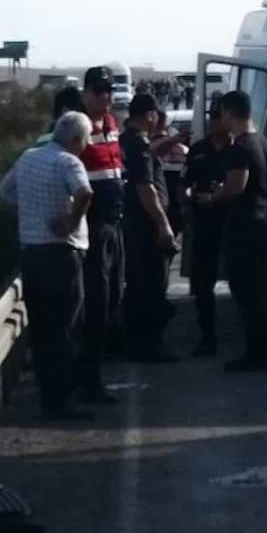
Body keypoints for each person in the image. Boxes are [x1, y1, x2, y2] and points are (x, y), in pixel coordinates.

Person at [0, 111, 95, 421]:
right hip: (61, 255)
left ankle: (48, 397)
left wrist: (31, 214)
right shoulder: (68, 162)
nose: (86, 146)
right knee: (64, 330)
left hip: (32, 254)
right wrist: (71, 221)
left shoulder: (28, 157)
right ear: (74, 139)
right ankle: (62, 401)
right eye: (86, 140)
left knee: (41, 332)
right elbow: (85, 192)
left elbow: (3, 193)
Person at [196, 90, 267, 372]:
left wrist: (212, 197)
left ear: (230, 113)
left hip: (244, 224)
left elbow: (236, 186)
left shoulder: (240, 147)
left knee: (246, 291)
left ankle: (257, 353)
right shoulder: (264, 143)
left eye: (222, 114)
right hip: (262, 216)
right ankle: (261, 350)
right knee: (256, 289)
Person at [120, 93, 180, 362]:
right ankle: (151, 345)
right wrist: (163, 225)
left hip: (132, 224)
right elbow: (146, 188)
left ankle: (134, 341)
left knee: (136, 284)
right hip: (146, 227)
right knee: (153, 286)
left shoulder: (126, 142)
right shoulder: (140, 145)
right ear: (151, 115)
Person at [77, 65, 125, 401]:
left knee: (111, 302)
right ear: (85, 93)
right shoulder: (76, 126)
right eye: (98, 91)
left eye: (109, 90)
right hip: (91, 227)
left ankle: (93, 374)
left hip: (113, 224)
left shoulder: (110, 123)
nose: (105, 96)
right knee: (95, 306)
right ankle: (88, 382)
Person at [180, 103, 232, 356]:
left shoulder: (239, 150)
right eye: (212, 117)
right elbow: (184, 182)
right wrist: (187, 204)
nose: (214, 122)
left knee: (241, 281)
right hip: (203, 223)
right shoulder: (199, 150)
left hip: (233, 223)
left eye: (219, 118)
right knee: (203, 283)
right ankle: (207, 336)